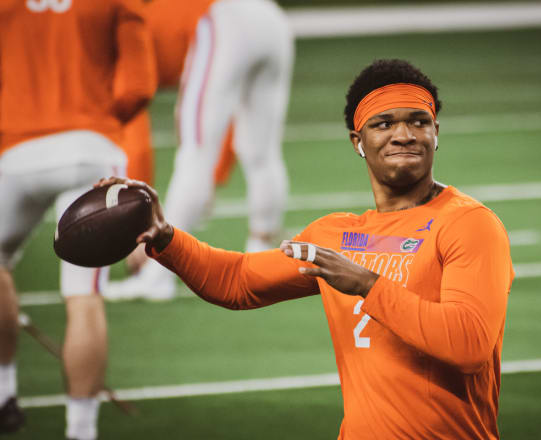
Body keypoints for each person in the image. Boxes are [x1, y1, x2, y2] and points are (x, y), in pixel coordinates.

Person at [98, 59, 514, 439]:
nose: (403, 135)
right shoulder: (335, 236)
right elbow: (236, 281)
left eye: (419, 122)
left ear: (436, 133)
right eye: (384, 124)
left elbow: (468, 346)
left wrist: (368, 284)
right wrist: (166, 236)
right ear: (358, 140)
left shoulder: (468, 224)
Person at [0, 1, 156, 438]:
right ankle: (81, 430)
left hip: (15, 149)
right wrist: (98, 120)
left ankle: (4, 393)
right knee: (83, 296)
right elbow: (139, 85)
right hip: (90, 147)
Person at [105, 0, 294, 301]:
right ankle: (263, 256)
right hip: (271, 17)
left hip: (225, 18)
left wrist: (138, 223)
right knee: (263, 151)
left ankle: (159, 274)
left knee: (196, 152)